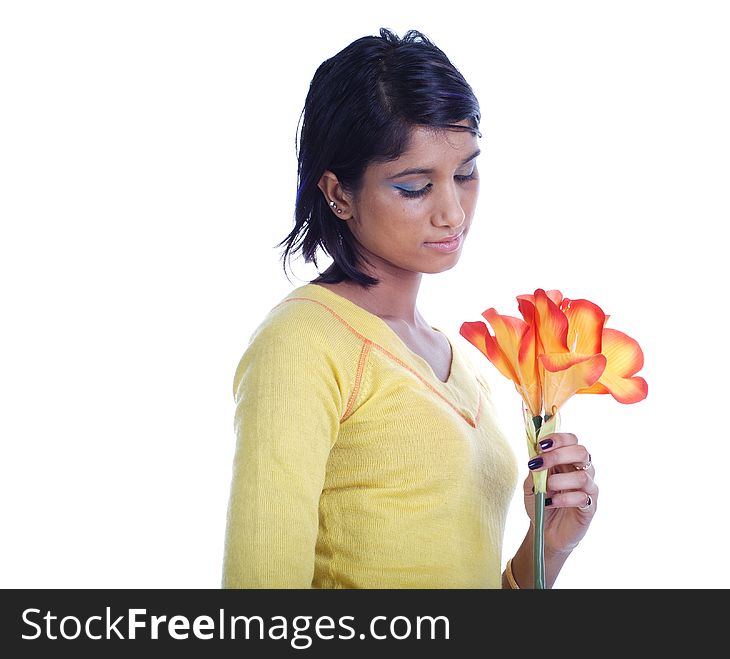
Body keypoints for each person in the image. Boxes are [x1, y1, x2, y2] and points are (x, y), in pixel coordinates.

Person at [221, 27, 598, 589]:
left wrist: (545, 549)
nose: (453, 212)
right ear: (338, 193)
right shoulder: (304, 342)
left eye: (466, 173)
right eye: (415, 186)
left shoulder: (458, 362)